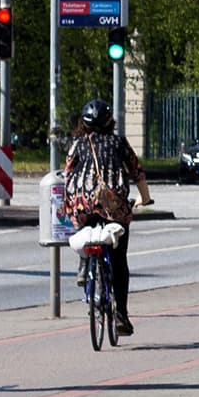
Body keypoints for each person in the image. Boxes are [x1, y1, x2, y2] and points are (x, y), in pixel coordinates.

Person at [61, 98, 155, 336]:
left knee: (86, 231)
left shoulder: (78, 144)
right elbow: (137, 172)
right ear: (109, 121)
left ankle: (84, 264)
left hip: (82, 205)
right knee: (119, 259)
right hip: (113, 206)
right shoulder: (118, 142)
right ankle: (121, 315)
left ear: (83, 123)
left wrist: (69, 204)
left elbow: (68, 173)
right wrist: (145, 199)